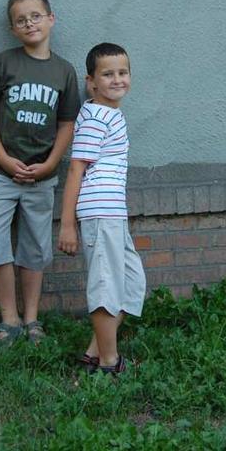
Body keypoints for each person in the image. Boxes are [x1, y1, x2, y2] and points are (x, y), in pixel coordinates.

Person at [0, 0, 80, 344]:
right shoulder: (5, 62)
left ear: (51, 19)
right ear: (13, 29)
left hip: (41, 176)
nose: (29, 23)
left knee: (35, 246)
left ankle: (32, 318)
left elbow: (67, 123)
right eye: (21, 20)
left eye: (35, 15)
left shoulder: (64, 71)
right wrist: (3, 159)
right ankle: (10, 318)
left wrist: (51, 163)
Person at [58, 42, 146, 374]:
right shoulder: (96, 115)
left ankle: (95, 352)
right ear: (91, 81)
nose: (117, 79)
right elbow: (76, 169)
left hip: (113, 213)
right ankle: (110, 362)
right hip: (98, 212)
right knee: (106, 284)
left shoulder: (110, 113)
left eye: (122, 72)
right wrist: (67, 224)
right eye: (107, 74)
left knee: (131, 283)